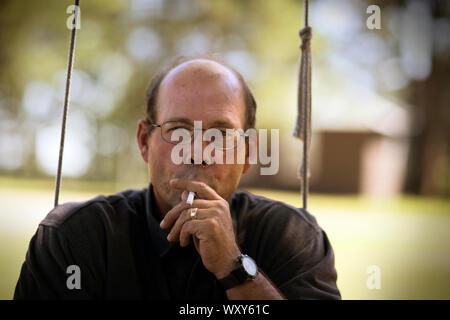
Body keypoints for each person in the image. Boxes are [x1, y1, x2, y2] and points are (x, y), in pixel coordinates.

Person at [14, 55, 341, 300]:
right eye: (179, 131)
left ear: (248, 152)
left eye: (220, 134)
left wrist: (235, 269)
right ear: (145, 142)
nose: (198, 151)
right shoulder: (76, 237)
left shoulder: (292, 236)